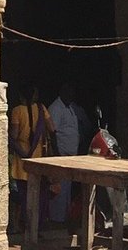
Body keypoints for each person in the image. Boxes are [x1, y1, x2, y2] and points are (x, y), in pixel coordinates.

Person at [9, 85, 55, 234]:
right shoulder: (41, 109)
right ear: (34, 95)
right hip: (39, 159)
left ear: (21, 96)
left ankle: (17, 226)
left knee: (19, 196)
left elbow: (14, 136)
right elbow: (52, 129)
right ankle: (36, 225)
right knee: (38, 195)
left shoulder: (17, 111)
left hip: (22, 159)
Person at [47, 83, 85, 223]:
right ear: (63, 92)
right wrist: (56, 154)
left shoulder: (71, 108)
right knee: (58, 189)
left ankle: (64, 218)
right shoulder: (56, 108)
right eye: (69, 92)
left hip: (71, 157)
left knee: (67, 189)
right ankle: (56, 219)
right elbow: (52, 133)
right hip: (60, 155)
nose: (72, 95)